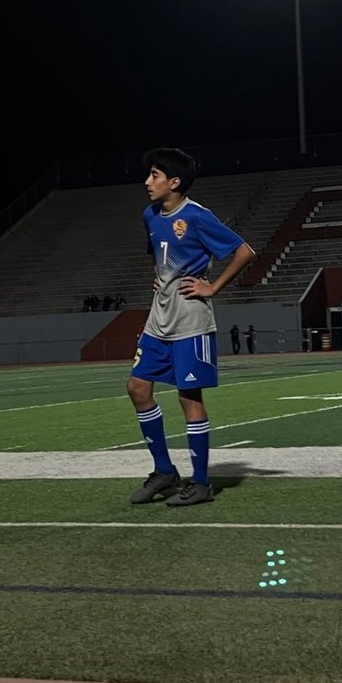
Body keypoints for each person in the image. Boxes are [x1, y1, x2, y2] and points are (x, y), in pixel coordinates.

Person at [126, 147, 256, 508]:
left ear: (175, 181)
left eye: (154, 175)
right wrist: (159, 278)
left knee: (189, 397)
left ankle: (200, 483)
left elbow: (244, 251)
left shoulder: (198, 216)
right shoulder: (150, 215)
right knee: (137, 387)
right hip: (159, 316)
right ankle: (165, 471)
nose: (147, 182)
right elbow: (159, 254)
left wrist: (212, 287)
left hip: (191, 320)